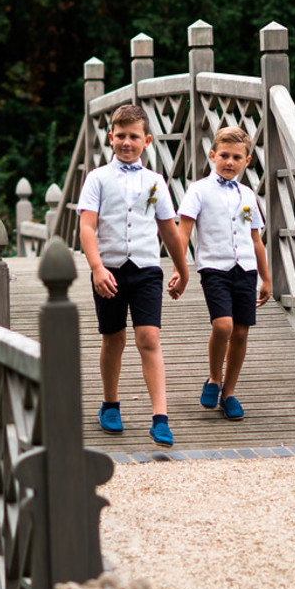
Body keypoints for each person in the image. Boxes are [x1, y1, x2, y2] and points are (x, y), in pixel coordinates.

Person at [78, 104, 189, 446]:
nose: (127, 142)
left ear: (147, 141)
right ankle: (110, 404)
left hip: (146, 271)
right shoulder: (97, 178)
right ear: (111, 137)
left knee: (149, 338)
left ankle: (160, 417)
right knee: (114, 338)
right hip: (109, 270)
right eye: (121, 136)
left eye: (134, 137)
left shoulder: (155, 182)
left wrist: (182, 270)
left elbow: (169, 231)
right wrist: (96, 268)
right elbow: (86, 226)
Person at [176, 125, 272, 420]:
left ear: (247, 162)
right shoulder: (198, 190)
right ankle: (214, 378)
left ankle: (229, 392)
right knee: (223, 326)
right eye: (224, 156)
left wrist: (266, 278)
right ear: (212, 155)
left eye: (237, 157)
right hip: (214, 268)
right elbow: (183, 233)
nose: (230, 162)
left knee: (241, 333)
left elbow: (256, 239)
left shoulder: (248, 195)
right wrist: (180, 269)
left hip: (245, 269)